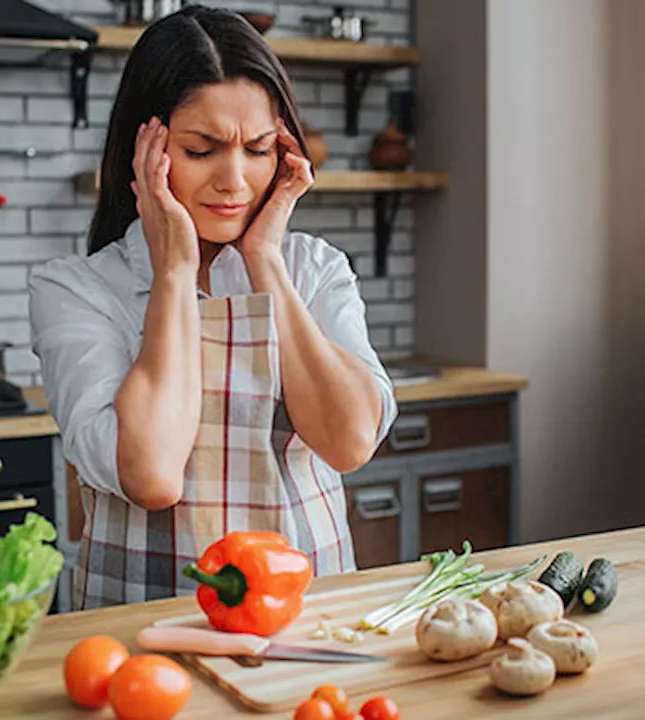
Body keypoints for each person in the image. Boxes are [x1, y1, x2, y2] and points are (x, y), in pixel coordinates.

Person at [29, 5, 397, 609]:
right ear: (144, 152)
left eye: (257, 149)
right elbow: (150, 475)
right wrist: (173, 268)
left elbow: (348, 441)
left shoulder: (313, 269)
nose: (235, 180)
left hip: (306, 615)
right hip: (145, 628)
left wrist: (266, 262)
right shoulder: (77, 290)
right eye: (202, 151)